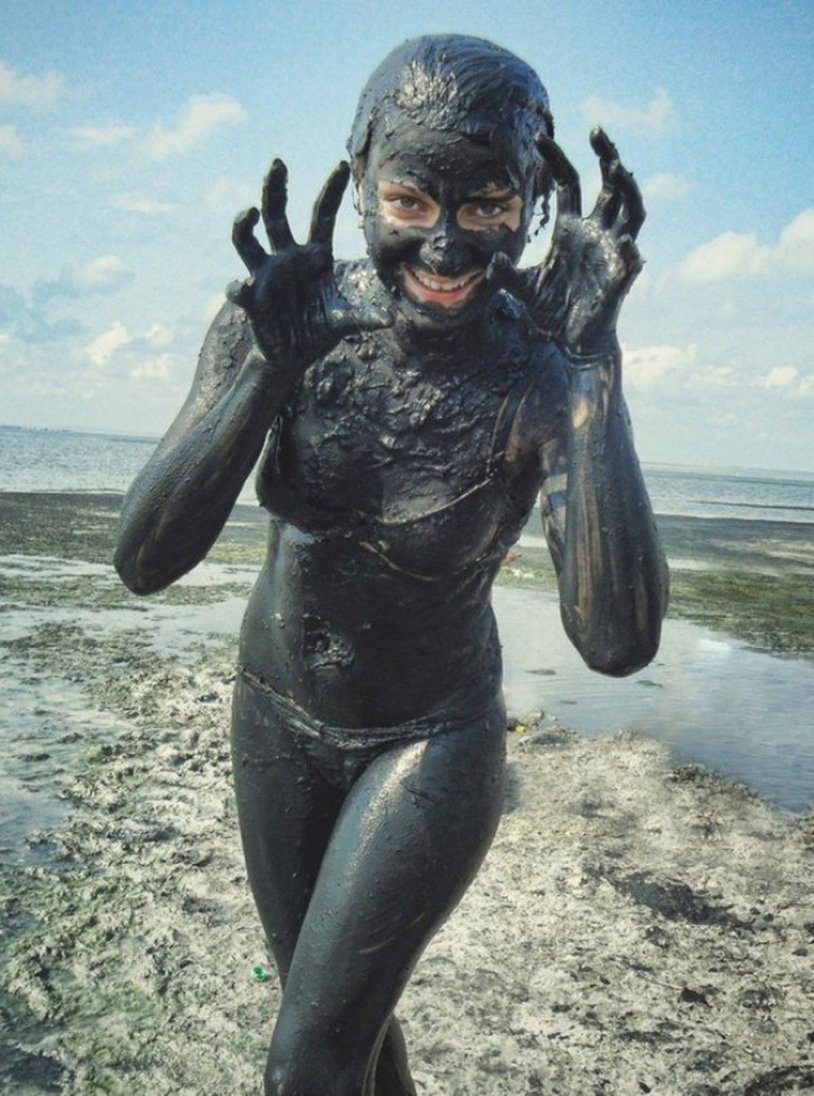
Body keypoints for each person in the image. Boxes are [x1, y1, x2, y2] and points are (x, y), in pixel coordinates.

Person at [115, 34, 668, 1096]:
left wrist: (592, 367)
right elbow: (145, 560)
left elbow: (614, 637)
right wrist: (268, 375)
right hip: (273, 712)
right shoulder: (284, 318)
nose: (449, 247)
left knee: (307, 1060)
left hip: (430, 737)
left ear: (538, 200)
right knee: (346, 1034)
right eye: (411, 202)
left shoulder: (545, 365)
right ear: (359, 182)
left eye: (489, 204)